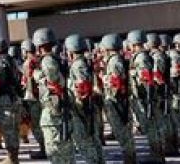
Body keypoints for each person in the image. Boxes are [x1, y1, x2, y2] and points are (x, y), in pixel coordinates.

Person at [31, 27, 74, 163]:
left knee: (56, 152)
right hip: (58, 110)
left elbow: (53, 83)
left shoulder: (47, 61)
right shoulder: (55, 59)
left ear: (39, 45)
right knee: (65, 151)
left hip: (53, 113)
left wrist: (37, 75)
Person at [63, 34, 104, 164]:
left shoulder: (78, 65)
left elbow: (83, 88)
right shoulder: (83, 62)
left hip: (82, 109)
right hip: (86, 107)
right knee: (93, 141)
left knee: (85, 142)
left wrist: (80, 108)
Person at [126, 29, 165, 163]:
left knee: (151, 126)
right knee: (151, 126)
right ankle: (157, 154)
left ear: (134, 43)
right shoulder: (140, 56)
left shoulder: (141, 58)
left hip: (145, 97)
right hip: (145, 96)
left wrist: (145, 98)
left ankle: (157, 156)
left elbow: (146, 79)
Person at [98, 34, 136, 164]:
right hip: (118, 100)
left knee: (122, 130)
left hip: (116, 101)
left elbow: (117, 82)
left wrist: (104, 78)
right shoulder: (114, 59)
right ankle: (129, 157)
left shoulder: (114, 61)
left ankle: (130, 158)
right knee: (122, 130)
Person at [0, 38, 22, 164]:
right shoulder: (13, 61)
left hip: (5, 100)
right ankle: (15, 156)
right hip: (16, 99)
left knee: (8, 130)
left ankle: (12, 158)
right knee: (15, 128)